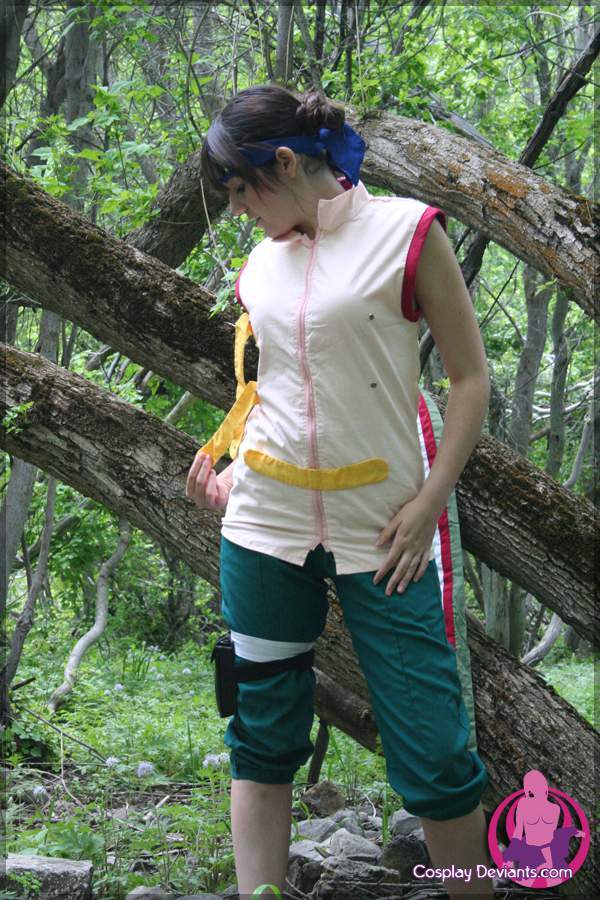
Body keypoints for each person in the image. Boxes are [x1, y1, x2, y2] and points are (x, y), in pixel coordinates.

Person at [186, 84, 494, 899]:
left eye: (241, 190)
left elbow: (469, 378)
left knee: (436, 754)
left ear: (286, 163)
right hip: (263, 529)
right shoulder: (261, 264)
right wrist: (232, 461)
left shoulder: (408, 233)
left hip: (386, 532)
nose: (239, 210)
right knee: (260, 737)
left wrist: (430, 502)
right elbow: (277, 386)